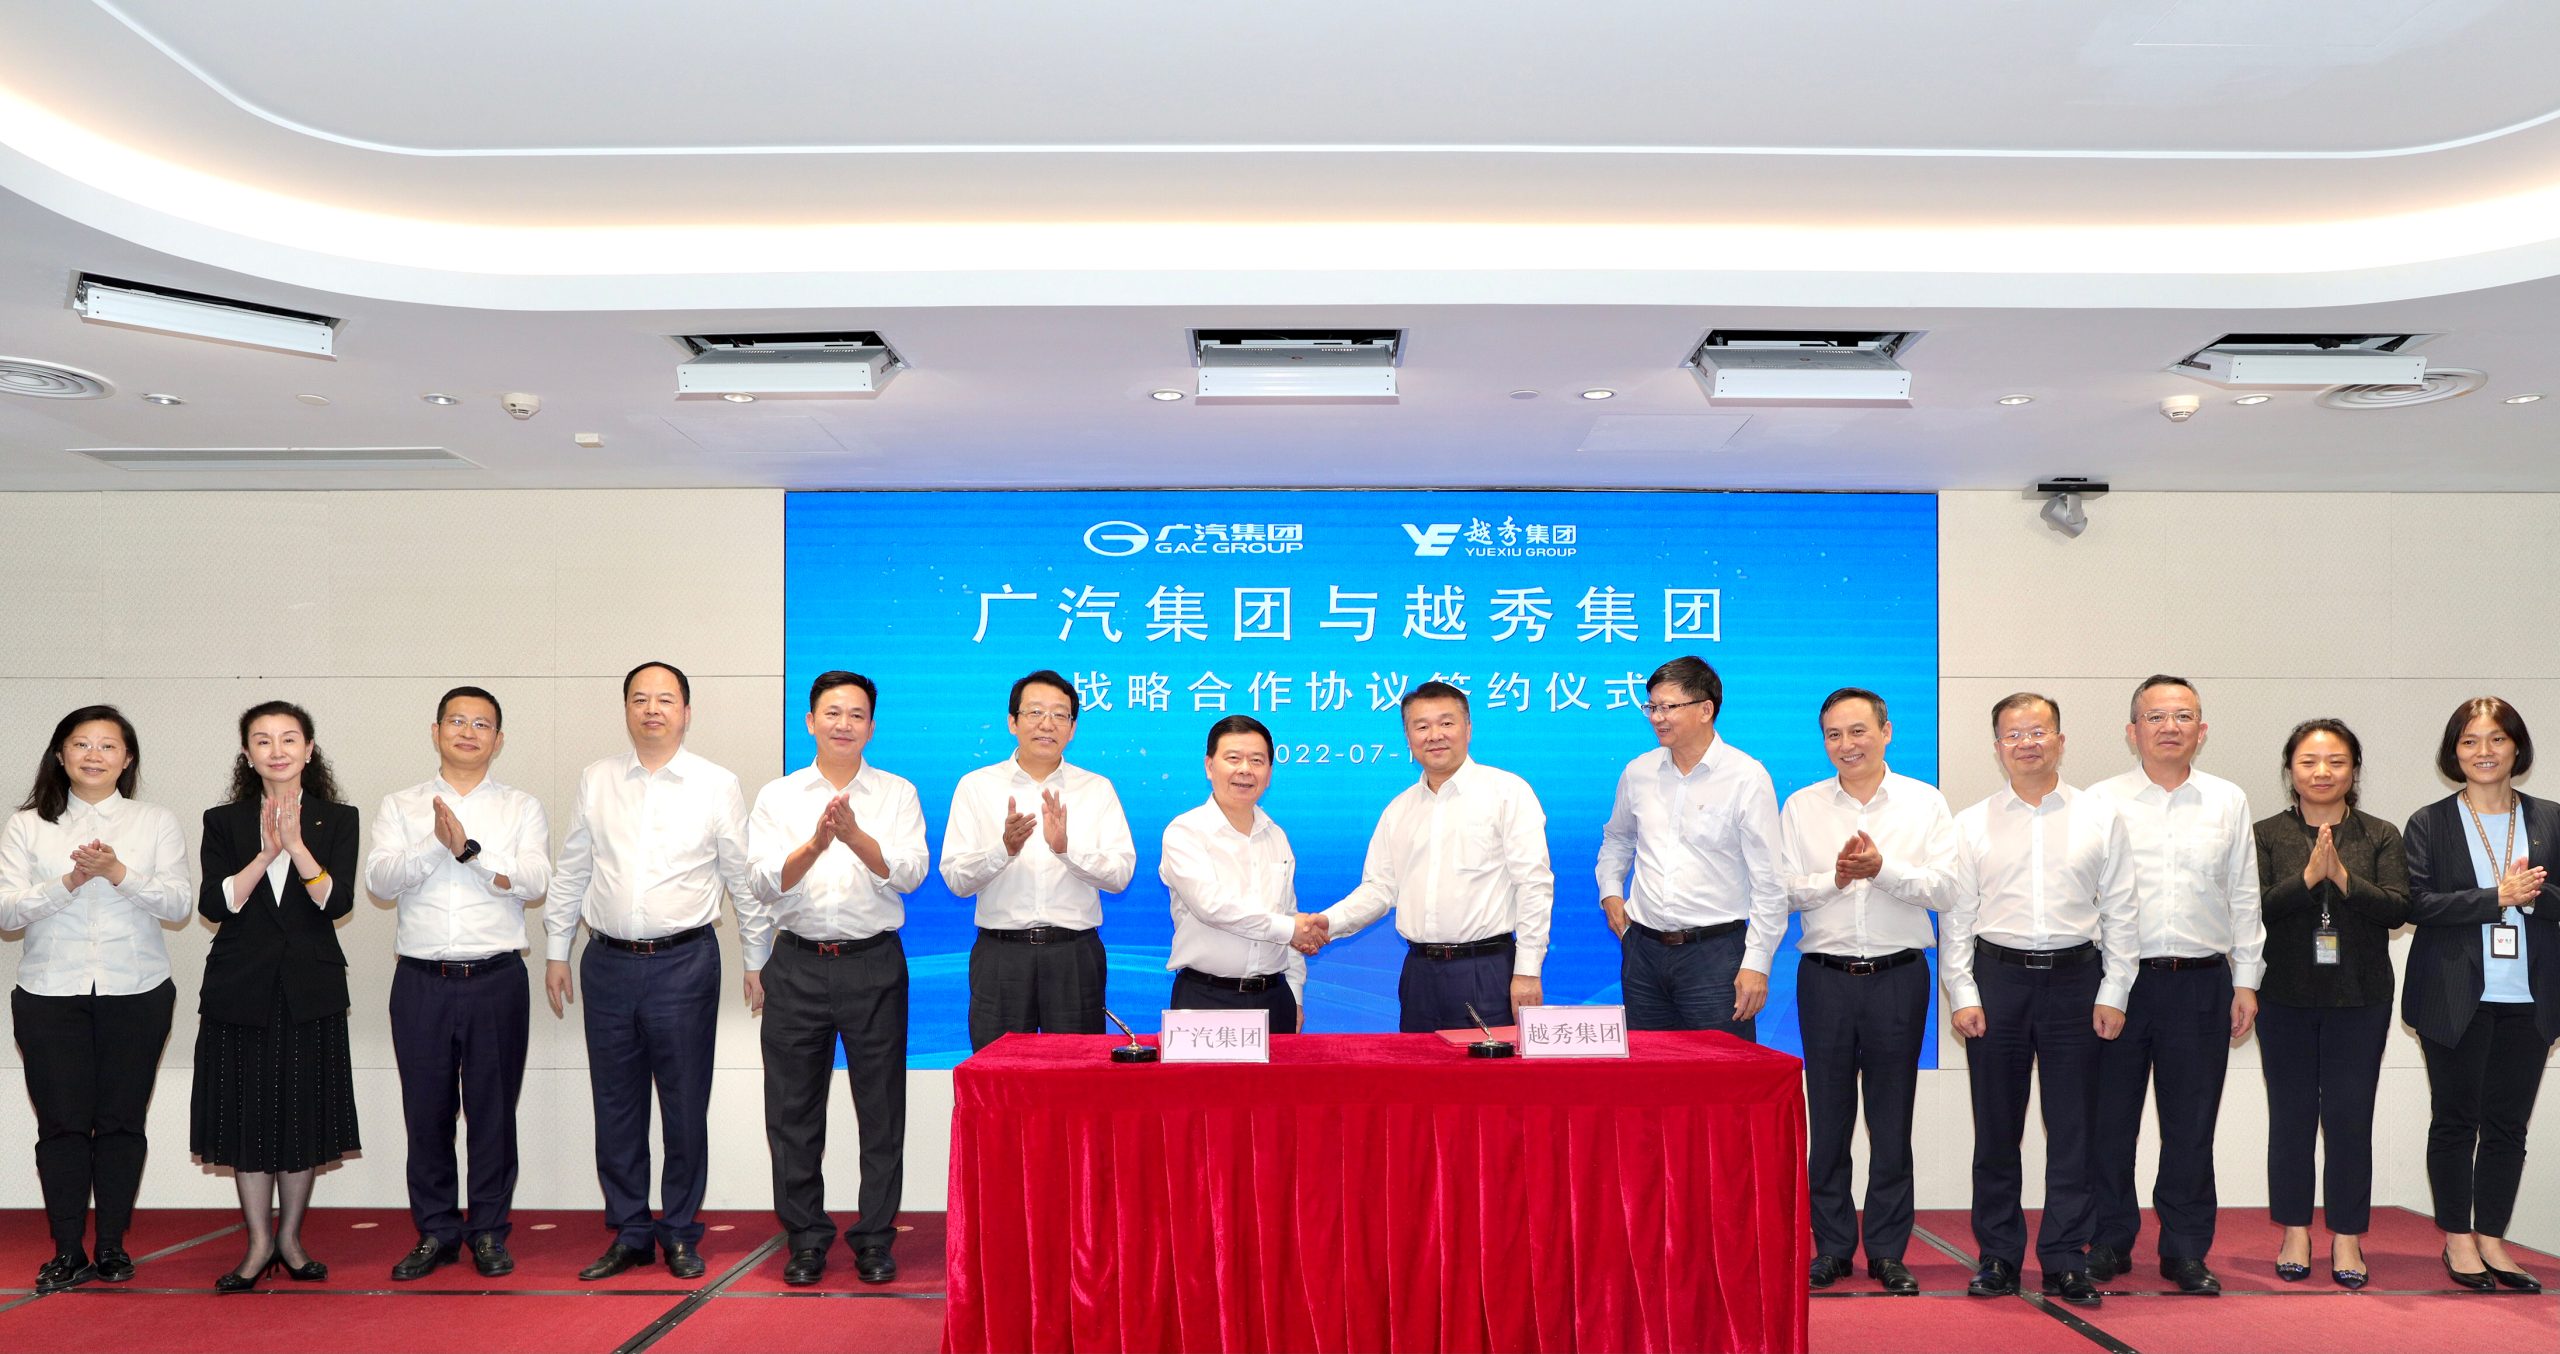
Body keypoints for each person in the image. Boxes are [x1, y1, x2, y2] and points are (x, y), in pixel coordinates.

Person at [544, 661, 763, 1282]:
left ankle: (681, 1232)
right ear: (626, 710)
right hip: (606, 963)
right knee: (615, 1104)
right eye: (639, 699)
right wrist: (557, 949)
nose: (652, 710)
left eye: (665, 699)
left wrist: (756, 959)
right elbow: (573, 868)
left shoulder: (716, 784)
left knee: (684, 1105)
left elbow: (741, 878)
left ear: (686, 712)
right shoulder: (597, 779)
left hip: (684, 963)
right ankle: (631, 1231)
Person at [1943, 692, 2136, 1309]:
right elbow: (1957, 918)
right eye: (2013, 734)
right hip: (1996, 981)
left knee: (2074, 1128)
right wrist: (1962, 991)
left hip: (2078, 981)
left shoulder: (2100, 816)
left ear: (2060, 740)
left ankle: (2065, 1258)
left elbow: (2122, 910)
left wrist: (2115, 990)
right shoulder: (1971, 822)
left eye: (2038, 731)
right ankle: (1999, 1256)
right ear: (1997, 746)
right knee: (1996, 1128)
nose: (2027, 743)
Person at [745, 671, 927, 1288]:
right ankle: (805, 1237)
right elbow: (764, 881)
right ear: (810, 721)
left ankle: (875, 1238)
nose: (843, 724)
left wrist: (854, 837)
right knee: (792, 1110)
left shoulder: (896, 793)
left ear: (871, 726)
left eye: (855, 714)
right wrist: (818, 843)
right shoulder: (779, 796)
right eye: (832, 712)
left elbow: (910, 873)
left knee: (881, 1110)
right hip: (796, 963)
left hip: (873, 963)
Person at [362, 686, 550, 1282]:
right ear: (435, 730)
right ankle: (437, 1231)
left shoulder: (521, 806)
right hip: (421, 981)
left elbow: (534, 881)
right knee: (427, 1114)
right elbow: (380, 882)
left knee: (493, 1114)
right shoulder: (401, 804)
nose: (468, 732)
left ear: (499, 738)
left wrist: (468, 851)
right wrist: (434, 844)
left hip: (496, 978)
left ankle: (489, 1230)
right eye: (457, 721)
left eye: (482, 724)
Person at [0, 707, 190, 1294]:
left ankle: (111, 1246)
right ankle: (65, 1250)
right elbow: (7, 912)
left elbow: (179, 904)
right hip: (49, 992)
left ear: (126, 759)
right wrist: (72, 881)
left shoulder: (154, 821)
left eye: (108, 746)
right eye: (81, 744)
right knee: (60, 1125)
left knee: (121, 1123)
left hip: (136, 990)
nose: (94, 755)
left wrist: (118, 872)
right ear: (60, 755)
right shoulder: (27, 825)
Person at [2086, 676, 2265, 1295]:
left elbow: (2244, 894)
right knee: (2110, 1122)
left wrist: (2247, 980)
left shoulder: (2227, 800)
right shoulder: (2100, 800)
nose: (2170, 727)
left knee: (2191, 1125)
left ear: (2202, 729)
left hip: (2201, 983)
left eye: (2183, 716)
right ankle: (2110, 1239)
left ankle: (2185, 1249)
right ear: (2132, 731)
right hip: (2119, 984)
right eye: (2155, 717)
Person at [1777, 688, 1958, 1296]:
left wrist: (1884, 871)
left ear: (1886, 731)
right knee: (1827, 1120)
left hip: (1898, 977)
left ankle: (1886, 1250)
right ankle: (1831, 1247)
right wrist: (1834, 879)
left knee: (1891, 1118)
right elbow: (1782, 890)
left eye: (1858, 731)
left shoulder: (1924, 803)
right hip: (1824, 978)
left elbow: (1946, 889)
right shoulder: (1802, 805)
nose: (1846, 745)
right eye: (1833, 734)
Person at [191, 700, 361, 1292]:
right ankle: (258, 1243)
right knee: (247, 1116)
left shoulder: (337, 818)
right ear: (247, 754)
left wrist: (297, 846)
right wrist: (266, 852)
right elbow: (214, 905)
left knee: (301, 1115)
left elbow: (337, 902)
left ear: (309, 750)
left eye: (289, 739)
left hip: (310, 988)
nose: (277, 750)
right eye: (262, 740)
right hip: (240, 987)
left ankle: (290, 1240)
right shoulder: (223, 820)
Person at [2402, 696, 2560, 1293]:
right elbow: (2418, 904)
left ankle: (2492, 1236)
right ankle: (2458, 1238)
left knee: (2508, 1126)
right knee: (2455, 1119)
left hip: (2531, 998)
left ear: (2516, 747)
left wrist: (2533, 897)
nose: (2484, 751)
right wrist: (2496, 898)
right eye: (2470, 741)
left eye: (2497, 739)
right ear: (2454, 751)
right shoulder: (2430, 822)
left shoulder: (2551, 819)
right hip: (2454, 995)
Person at [2254, 718, 2407, 1290]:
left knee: (2349, 1117)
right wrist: (2307, 878)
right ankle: (2295, 1230)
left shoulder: (2380, 834)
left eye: (2336, 761)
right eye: (2309, 761)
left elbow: (2398, 907)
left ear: (2354, 770)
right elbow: (2252, 908)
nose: (2322, 772)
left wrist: (2342, 877)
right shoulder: (2266, 834)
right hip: (2283, 998)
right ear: (2290, 770)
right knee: (2290, 1116)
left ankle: (2347, 1235)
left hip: (2360, 998)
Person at [1313, 681, 1554, 1032]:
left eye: (1446, 723)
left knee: (1490, 1069)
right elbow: (1379, 889)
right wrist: (1326, 924)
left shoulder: (1507, 792)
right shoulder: (1399, 810)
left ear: (1468, 728)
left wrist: (1528, 971)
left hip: (1487, 970)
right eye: (1422, 726)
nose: (1435, 735)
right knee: (1417, 1068)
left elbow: (1533, 884)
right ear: (1408, 737)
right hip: (1419, 974)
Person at [940, 669, 1135, 1051]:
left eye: (1060, 715)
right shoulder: (976, 786)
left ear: (1072, 728)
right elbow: (956, 880)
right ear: (1012, 722)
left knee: (1078, 1074)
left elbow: (1120, 875)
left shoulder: (1096, 789)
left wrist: (1066, 849)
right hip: (1001, 956)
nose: (1047, 724)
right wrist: (1004, 850)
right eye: (1035, 712)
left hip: (1073, 955)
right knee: (1000, 1075)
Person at [1595, 657, 1789, 1039]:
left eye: (1669, 707)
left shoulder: (1746, 777)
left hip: (1715, 956)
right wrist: (1611, 892)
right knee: (1650, 1069)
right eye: (1652, 707)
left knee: (1721, 1071)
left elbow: (1769, 881)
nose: (1657, 717)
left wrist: (1758, 961)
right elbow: (1617, 838)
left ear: (1705, 710)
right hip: (1643, 953)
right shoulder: (1639, 771)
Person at [1162, 715, 1321, 1033]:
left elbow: (1288, 912)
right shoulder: (1185, 832)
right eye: (1233, 758)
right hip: (1206, 998)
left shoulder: (1276, 836)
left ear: (1269, 773)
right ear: (1209, 766)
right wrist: (1290, 928)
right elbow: (1212, 907)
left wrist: (1295, 992)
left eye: (1257, 760)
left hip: (1275, 998)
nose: (1245, 769)